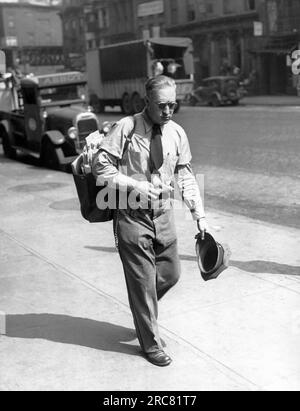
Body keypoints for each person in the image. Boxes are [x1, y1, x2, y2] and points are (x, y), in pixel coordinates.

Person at [92, 75, 208, 367]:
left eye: (173, 105)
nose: (168, 111)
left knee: (171, 273)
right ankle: (151, 343)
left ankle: (142, 309)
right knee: (143, 284)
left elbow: (185, 175)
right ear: (147, 102)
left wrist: (199, 216)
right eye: (162, 105)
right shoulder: (126, 127)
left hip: (163, 213)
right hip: (131, 215)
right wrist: (136, 185)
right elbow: (100, 168)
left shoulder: (177, 133)